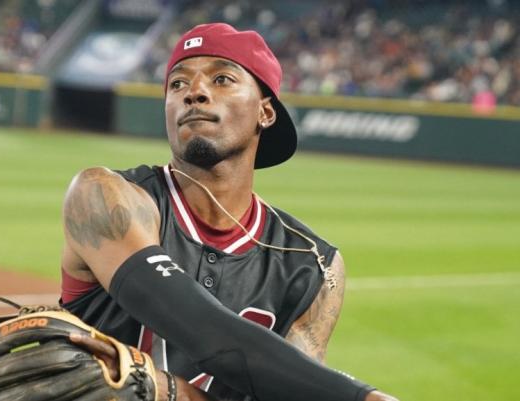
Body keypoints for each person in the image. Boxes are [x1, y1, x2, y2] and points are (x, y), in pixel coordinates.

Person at [60, 23, 398, 401]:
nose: (195, 93)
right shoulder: (103, 197)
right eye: (177, 84)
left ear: (265, 112)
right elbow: (199, 323)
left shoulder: (314, 266)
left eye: (221, 79)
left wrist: (167, 392)